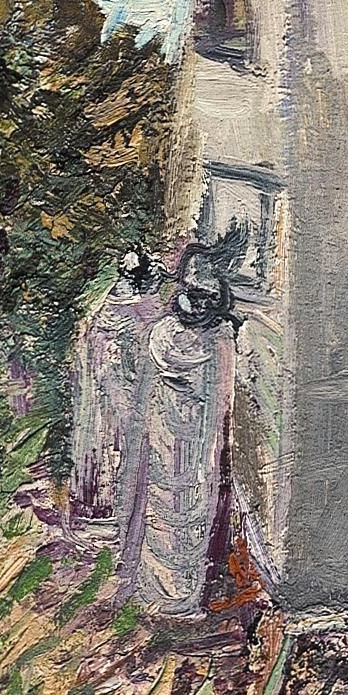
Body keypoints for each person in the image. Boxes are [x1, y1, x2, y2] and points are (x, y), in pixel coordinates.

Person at [120, 244, 238, 619]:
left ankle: (169, 592)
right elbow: (222, 401)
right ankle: (173, 593)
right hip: (190, 447)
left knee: (171, 510)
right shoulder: (216, 341)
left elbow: (146, 396)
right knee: (178, 511)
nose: (200, 305)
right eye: (198, 296)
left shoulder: (165, 334)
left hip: (173, 444)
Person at [68, 248, 163, 527]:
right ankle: (104, 502)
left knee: (107, 440)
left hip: (110, 383)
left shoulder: (114, 304)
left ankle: (105, 501)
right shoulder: (130, 307)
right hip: (112, 384)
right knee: (111, 440)